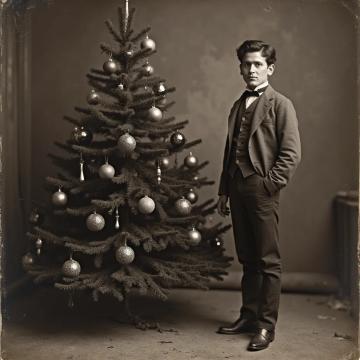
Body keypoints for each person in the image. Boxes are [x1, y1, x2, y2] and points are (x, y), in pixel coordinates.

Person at [216, 40, 301, 351]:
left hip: (262, 190)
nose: (251, 69)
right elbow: (230, 152)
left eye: (257, 64)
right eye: (246, 64)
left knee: (268, 260)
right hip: (237, 188)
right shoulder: (239, 104)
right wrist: (224, 190)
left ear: (270, 68)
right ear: (241, 68)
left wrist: (269, 184)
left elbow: (291, 154)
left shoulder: (281, 105)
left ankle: (266, 326)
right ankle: (249, 315)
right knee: (248, 258)